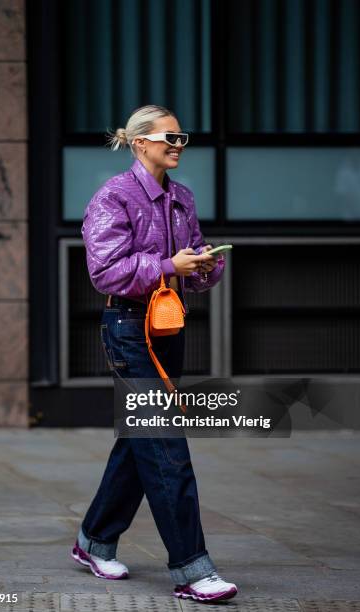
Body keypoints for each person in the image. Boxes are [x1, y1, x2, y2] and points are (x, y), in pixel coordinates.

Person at [72, 104, 238, 603]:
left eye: (182, 138)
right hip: (127, 328)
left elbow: (194, 266)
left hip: (169, 326)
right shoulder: (113, 197)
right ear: (140, 141)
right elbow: (104, 272)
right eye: (169, 137)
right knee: (163, 443)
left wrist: (205, 266)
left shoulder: (181, 197)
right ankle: (192, 568)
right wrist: (170, 264)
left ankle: (94, 540)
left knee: (140, 439)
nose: (177, 145)